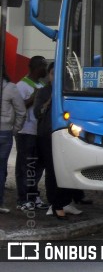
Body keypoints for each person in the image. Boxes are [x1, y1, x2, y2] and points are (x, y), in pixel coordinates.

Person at [34, 62, 80, 220]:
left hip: (67, 134)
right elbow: (37, 113)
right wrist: (50, 99)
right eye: (53, 74)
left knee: (67, 168)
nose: (55, 77)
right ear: (49, 75)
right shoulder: (43, 91)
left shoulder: (69, 91)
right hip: (47, 135)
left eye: (59, 74)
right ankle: (55, 204)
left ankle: (65, 201)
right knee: (52, 171)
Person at [14, 56, 48, 212]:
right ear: (36, 67)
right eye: (44, 66)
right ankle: (23, 199)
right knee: (24, 166)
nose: (46, 70)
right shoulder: (21, 85)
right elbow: (18, 108)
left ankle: (33, 195)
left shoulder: (41, 84)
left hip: (38, 131)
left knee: (37, 165)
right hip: (25, 131)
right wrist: (33, 98)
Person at [1, 67, 27, 213]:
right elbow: (21, 112)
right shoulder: (11, 88)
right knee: (1, 168)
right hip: (5, 132)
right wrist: (14, 130)